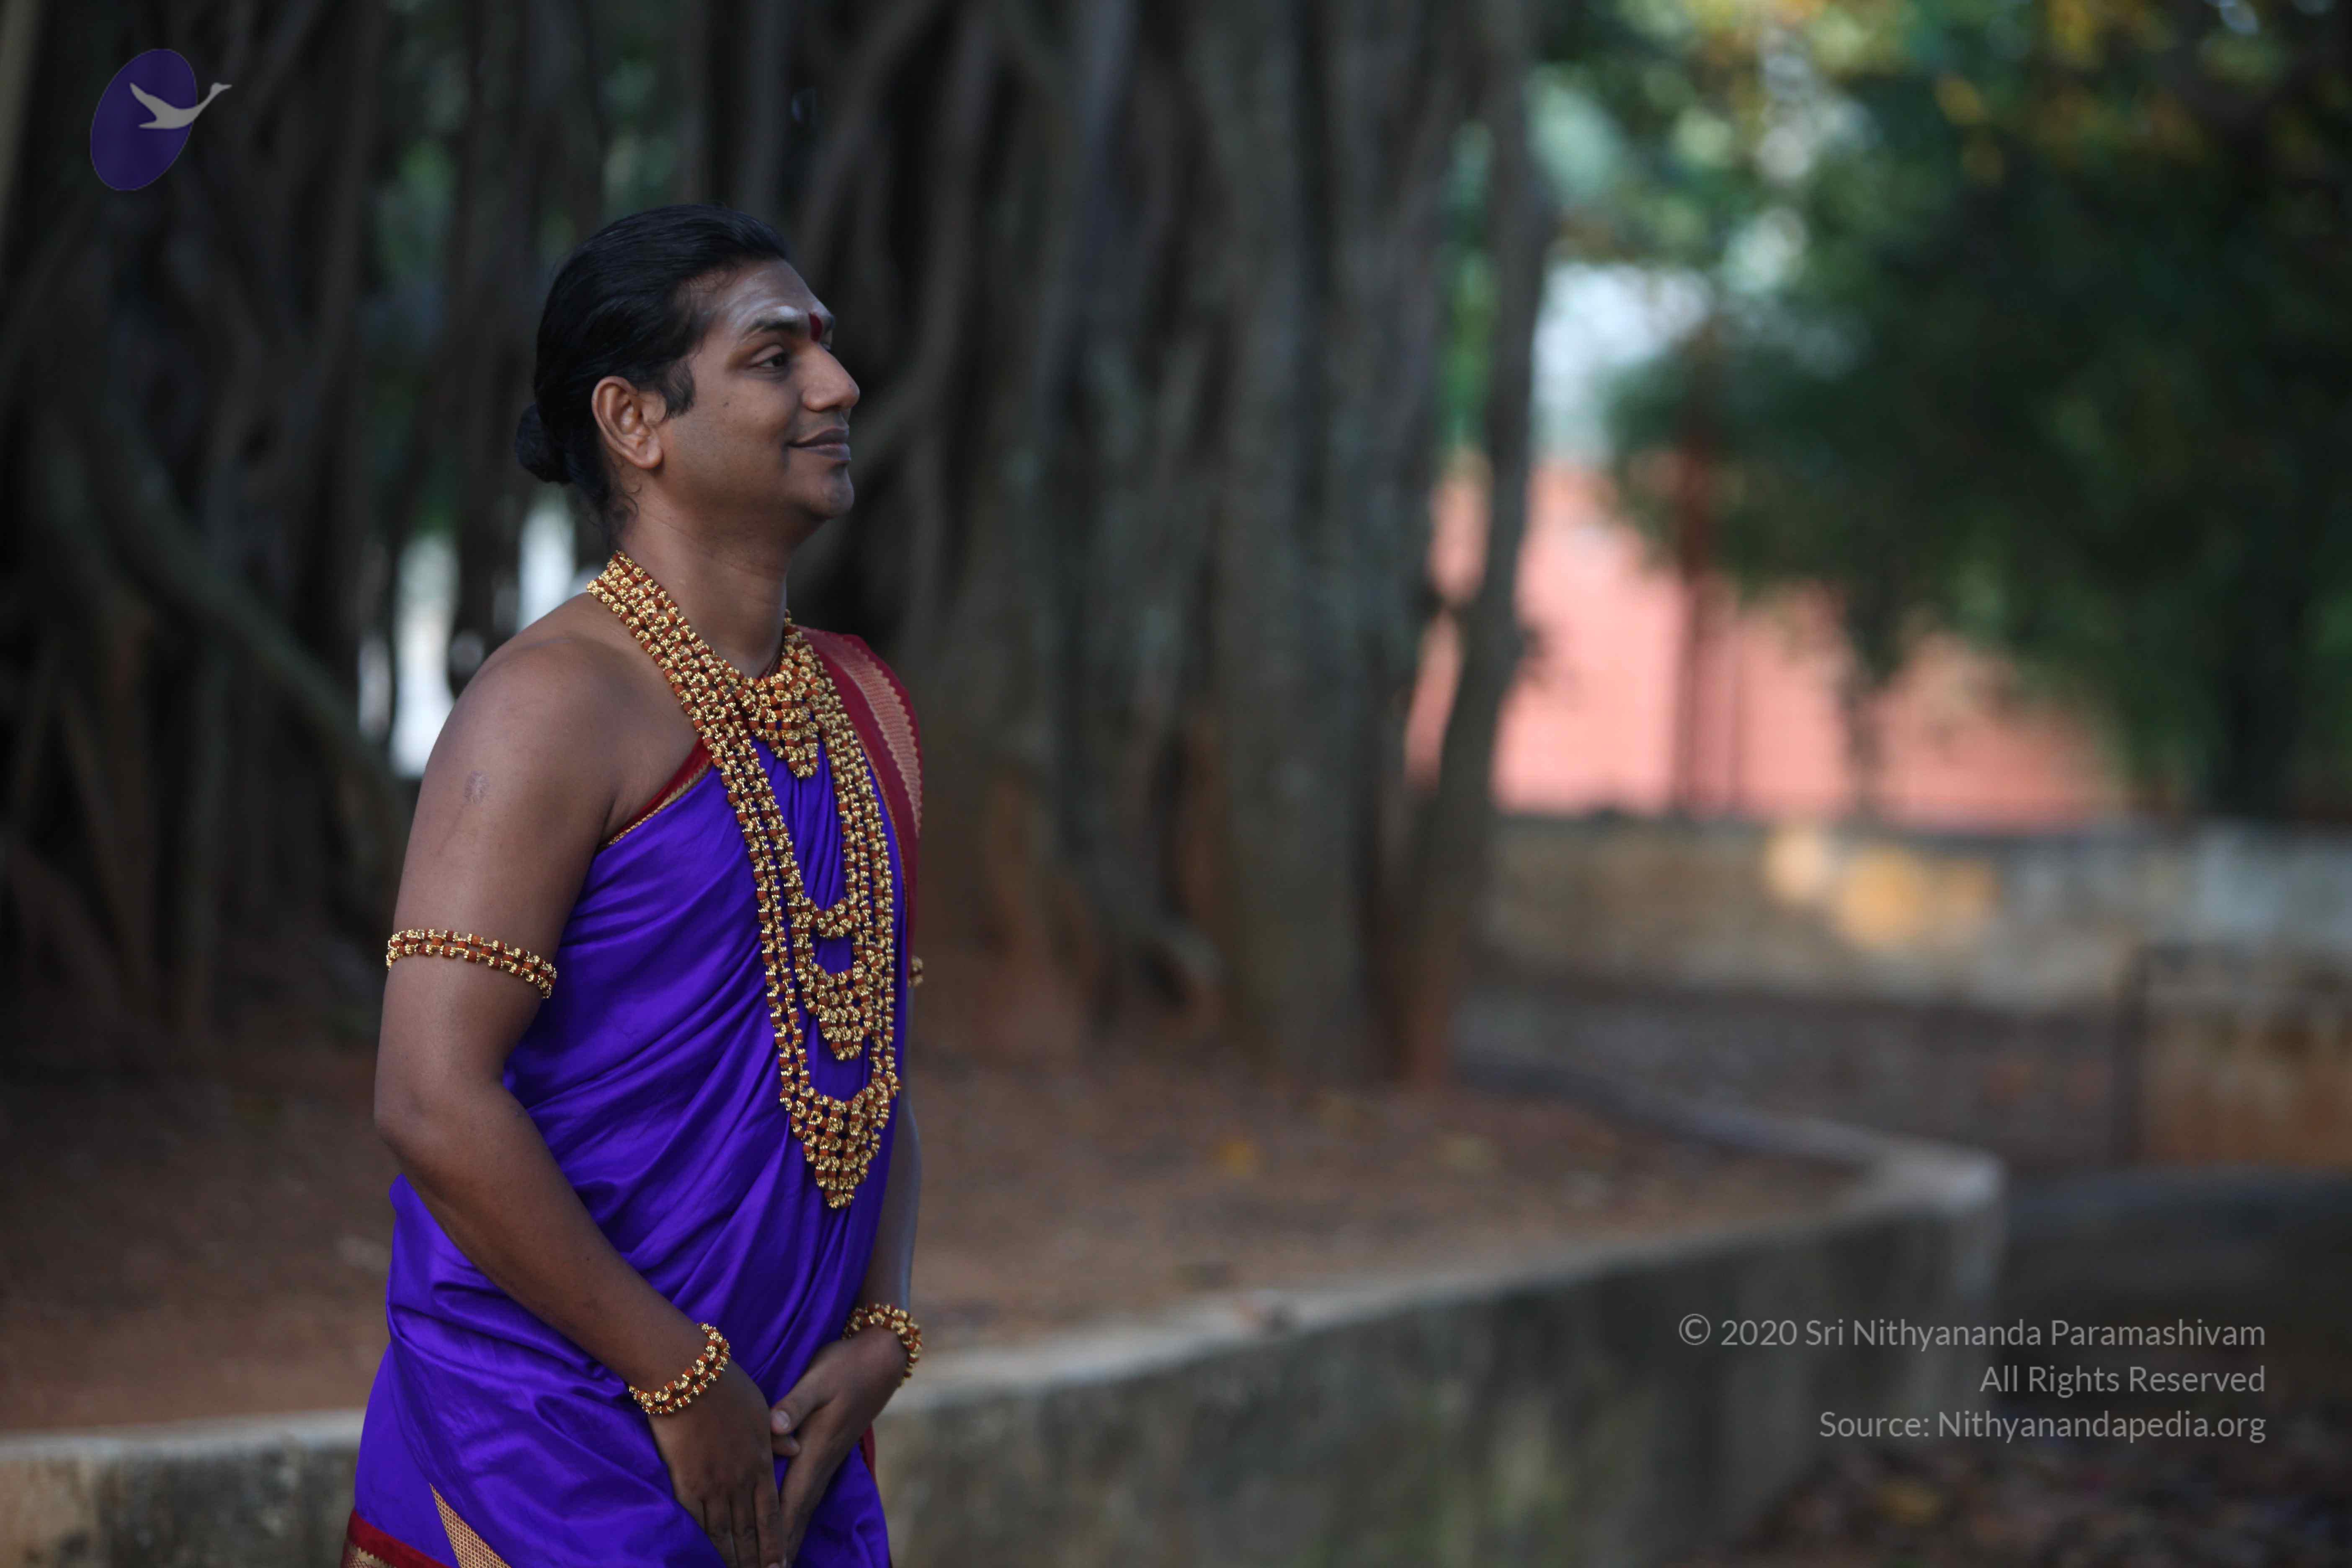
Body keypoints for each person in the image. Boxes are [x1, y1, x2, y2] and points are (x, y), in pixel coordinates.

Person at [344, 205, 924, 1568]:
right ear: (633, 420)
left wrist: (883, 1329)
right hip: (543, 1441)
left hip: (784, 1442)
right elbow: (430, 1097)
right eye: (775, 357)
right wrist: (674, 1374)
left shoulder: (870, 708)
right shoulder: (550, 706)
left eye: (826, 348)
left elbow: (877, 1064)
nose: (839, 386)